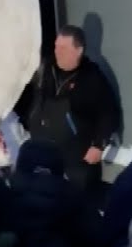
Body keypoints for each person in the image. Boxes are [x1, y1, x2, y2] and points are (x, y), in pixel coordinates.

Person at [25, 25, 118, 201]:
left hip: (75, 158)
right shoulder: (46, 67)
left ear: (79, 51)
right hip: (43, 151)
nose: (57, 52)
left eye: (63, 48)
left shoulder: (92, 77)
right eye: (55, 46)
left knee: (73, 206)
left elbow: (108, 114)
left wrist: (98, 145)